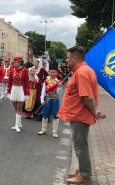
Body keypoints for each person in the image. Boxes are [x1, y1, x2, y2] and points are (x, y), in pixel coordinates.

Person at [57, 46, 106, 184]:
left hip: (80, 115)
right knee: (79, 144)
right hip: (78, 114)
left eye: (67, 57)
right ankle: (82, 169)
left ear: (74, 58)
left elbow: (87, 97)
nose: (66, 60)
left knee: (80, 145)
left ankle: (85, 174)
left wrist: (95, 112)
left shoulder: (81, 73)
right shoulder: (84, 70)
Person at [37, 64, 63, 138]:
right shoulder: (46, 81)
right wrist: (42, 99)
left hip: (55, 100)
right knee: (45, 114)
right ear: (48, 72)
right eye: (51, 72)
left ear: (56, 73)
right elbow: (43, 91)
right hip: (47, 99)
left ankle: (54, 132)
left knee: (55, 115)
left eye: (54, 72)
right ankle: (43, 129)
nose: (52, 73)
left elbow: (59, 93)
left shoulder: (58, 82)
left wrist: (59, 87)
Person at [7, 56, 30, 133]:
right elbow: (9, 82)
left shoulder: (25, 71)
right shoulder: (12, 70)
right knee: (16, 108)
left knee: (19, 108)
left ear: (20, 62)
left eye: (15, 62)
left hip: (21, 90)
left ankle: (16, 125)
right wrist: (9, 92)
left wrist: (27, 94)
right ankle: (19, 123)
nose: (14, 63)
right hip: (13, 89)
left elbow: (27, 83)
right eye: (13, 62)